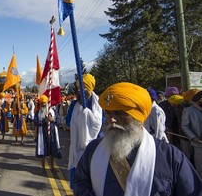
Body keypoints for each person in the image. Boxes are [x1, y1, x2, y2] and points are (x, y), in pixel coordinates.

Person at [74, 82, 202, 196]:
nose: (112, 120)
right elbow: (80, 182)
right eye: (108, 113)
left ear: (139, 118)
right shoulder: (93, 150)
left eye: (120, 113)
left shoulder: (170, 156)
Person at [66, 73, 102, 189]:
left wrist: (86, 115)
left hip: (96, 150)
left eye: (84, 88)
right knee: (79, 185)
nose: (81, 91)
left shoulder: (100, 106)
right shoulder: (74, 105)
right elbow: (68, 123)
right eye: (80, 88)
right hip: (78, 150)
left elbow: (102, 125)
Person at [34, 95, 61, 173]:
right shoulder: (38, 112)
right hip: (42, 134)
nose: (43, 105)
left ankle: (52, 166)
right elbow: (35, 122)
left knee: (52, 150)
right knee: (43, 150)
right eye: (42, 103)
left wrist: (53, 119)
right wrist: (43, 121)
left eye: (45, 103)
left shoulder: (53, 111)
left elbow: (59, 121)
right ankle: (43, 168)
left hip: (52, 133)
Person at [181, 90, 202, 178]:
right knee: (200, 168)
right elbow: (185, 126)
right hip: (199, 144)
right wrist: (193, 138)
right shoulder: (189, 110)